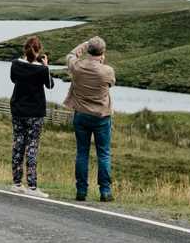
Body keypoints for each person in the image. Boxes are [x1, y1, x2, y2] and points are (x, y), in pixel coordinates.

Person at [63, 36, 116, 202]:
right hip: (101, 117)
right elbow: (111, 84)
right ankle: (105, 192)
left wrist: (84, 44)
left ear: (88, 50)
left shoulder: (77, 66)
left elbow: (70, 55)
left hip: (81, 115)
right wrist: (101, 61)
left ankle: (81, 191)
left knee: (82, 153)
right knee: (104, 154)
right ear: (103, 52)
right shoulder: (107, 71)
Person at [9, 35, 53, 198]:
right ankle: (32, 186)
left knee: (18, 145)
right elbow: (50, 85)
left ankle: (16, 183)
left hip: (18, 110)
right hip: (35, 112)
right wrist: (46, 66)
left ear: (25, 49)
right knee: (32, 147)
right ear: (38, 51)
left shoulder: (15, 64)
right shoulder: (41, 70)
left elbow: (13, 79)